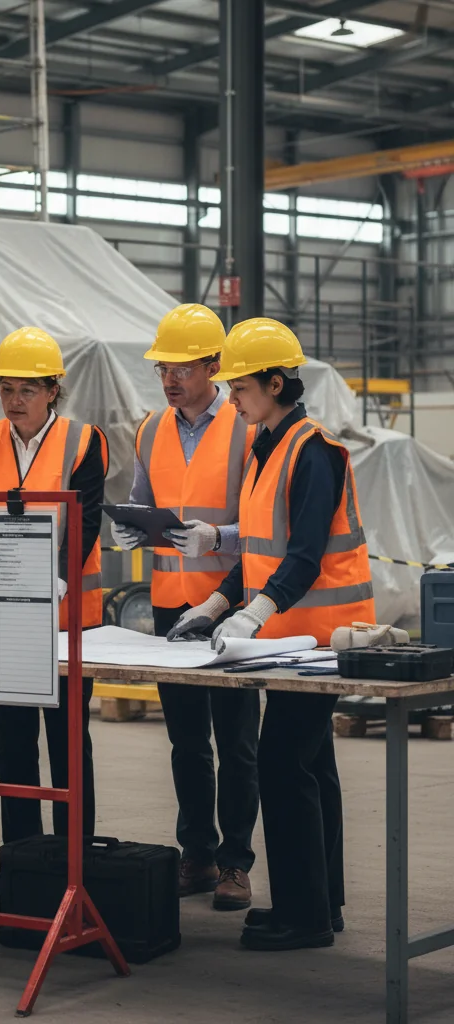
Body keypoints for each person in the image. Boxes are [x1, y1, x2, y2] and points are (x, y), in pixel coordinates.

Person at [168, 317, 375, 952]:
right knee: (313, 767)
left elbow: (306, 555)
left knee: (284, 765)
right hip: (287, 643)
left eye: (241, 386)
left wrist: (252, 613)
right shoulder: (268, 445)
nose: (233, 397)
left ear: (277, 383)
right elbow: (260, 553)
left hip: (316, 643)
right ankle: (320, 903)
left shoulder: (313, 452)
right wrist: (215, 602)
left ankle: (303, 917)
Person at [110, 303, 260, 912]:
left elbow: (264, 524)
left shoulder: (249, 429)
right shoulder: (150, 429)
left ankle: (235, 863)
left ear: (215, 368)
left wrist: (217, 539)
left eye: (182, 368)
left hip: (233, 606)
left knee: (237, 741)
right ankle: (196, 855)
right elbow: (147, 505)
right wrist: (133, 527)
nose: (170, 380)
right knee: (187, 742)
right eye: (162, 370)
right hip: (172, 607)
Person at [0, 327, 108, 895]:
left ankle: (76, 863)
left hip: (68, 619)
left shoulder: (83, 441)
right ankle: (21, 860)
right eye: (6, 387)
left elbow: (88, 521)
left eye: (27, 388)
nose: (14, 399)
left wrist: (56, 581)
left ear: (53, 391)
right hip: (5, 621)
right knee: (13, 749)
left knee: (69, 744)